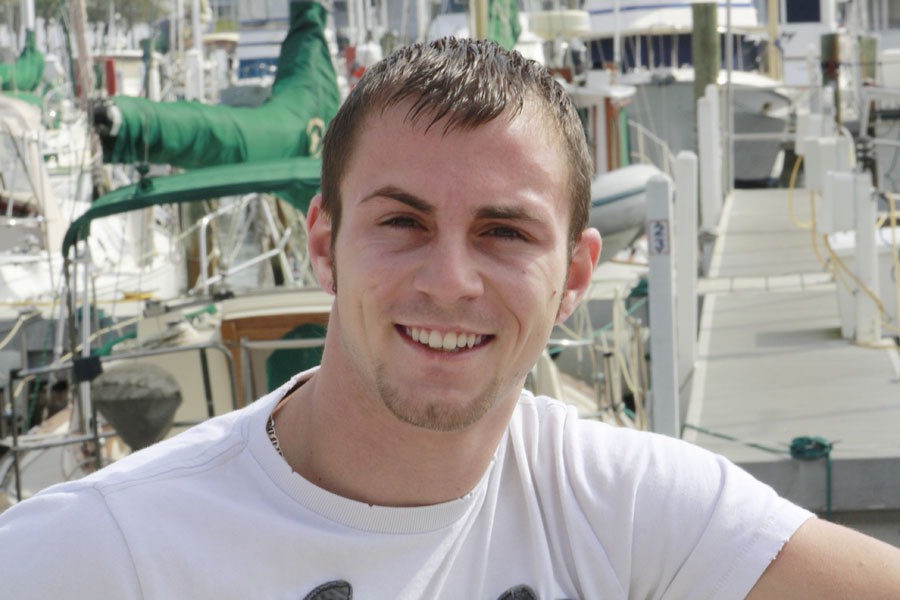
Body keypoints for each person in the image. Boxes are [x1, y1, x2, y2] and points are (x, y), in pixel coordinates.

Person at [2, 37, 900, 599]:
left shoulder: (621, 506)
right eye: (403, 222)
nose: (450, 280)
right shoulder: (105, 551)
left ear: (574, 275)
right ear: (325, 243)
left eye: (505, 232)